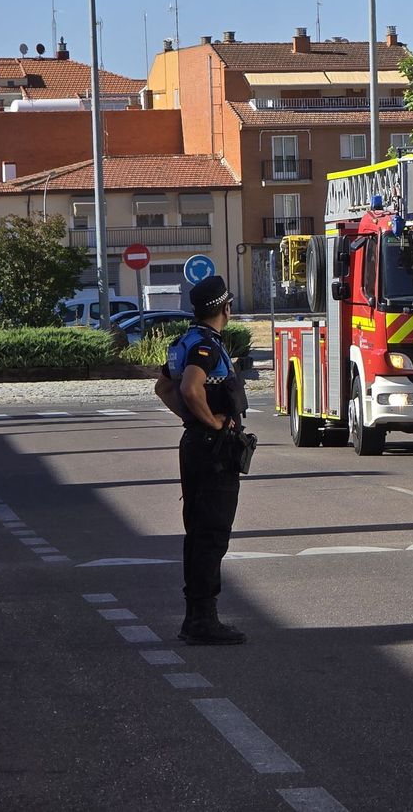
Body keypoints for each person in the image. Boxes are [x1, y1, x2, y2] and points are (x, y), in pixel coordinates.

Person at [153, 275, 249, 645]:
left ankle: (196, 616)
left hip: (196, 444)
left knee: (198, 532)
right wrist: (212, 421)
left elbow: (163, 386)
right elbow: (192, 387)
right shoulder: (205, 347)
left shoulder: (186, 340)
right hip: (212, 449)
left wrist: (190, 418)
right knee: (212, 534)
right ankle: (202, 619)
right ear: (225, 308)